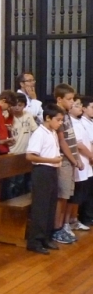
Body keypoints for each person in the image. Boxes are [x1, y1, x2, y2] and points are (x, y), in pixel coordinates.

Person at [25, 104, 64, 254]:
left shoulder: (52, 132)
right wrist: (51, 160)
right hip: (42, 172)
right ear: (48, 118)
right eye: (58, 120)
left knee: (50, 205)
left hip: (52, 171)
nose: (60, 123)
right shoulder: (39, 133)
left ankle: (46, 237)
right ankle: (35, 240)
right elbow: (30, 156)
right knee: (41, 206)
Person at [52, 83, 82, 245]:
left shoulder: (67, 114)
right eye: (69, 99)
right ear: (59, 99)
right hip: (64, 160)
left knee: (67, 195)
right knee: (61, 196)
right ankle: (56, 228)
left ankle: (63, 225)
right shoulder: (58, 115)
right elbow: (62, 142)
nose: (72, 102)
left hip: (70, 160)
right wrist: (73, 160)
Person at [67, 96, 93, 233]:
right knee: (75, 195)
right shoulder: (72, 122)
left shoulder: (79, 122)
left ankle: (74, 220)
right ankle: (68, 222)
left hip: (86, 164)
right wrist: (91, 155)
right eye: (75, 105)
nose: (78, 107)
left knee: (81, 194)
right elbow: (78, 144)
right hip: (80, 162)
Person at [0, 90, 18, 155]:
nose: (9, 108)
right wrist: (2, 141)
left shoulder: (1, 112)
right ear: (3, 101)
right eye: (9, 106)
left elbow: (1, 127)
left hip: (3, 147)